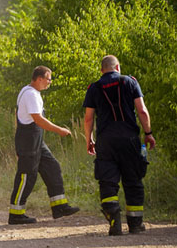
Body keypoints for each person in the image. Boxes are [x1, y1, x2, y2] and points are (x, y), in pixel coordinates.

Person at [83, 55, 156, 236]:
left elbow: (88, 118)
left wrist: (89, 139)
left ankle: (114, 218)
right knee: (133, 180)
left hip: (105, 141)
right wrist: (148, 134)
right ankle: (135, 224)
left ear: (102, 70)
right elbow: (142, 111)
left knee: (107, 180)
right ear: (118, 68)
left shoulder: (94, 87)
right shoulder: (129, 82)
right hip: (130, 139)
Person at [9, 66, 80, 224]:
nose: (50, 82)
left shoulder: (32, 93)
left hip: (36, 142)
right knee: (27, 176)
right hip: (28, 143)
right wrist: (59, 130)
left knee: (52, 167)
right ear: (39, 78)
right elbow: (38, 119)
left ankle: (59, 206)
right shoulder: (30, 94)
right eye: (48, 79)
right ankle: (15, 213)